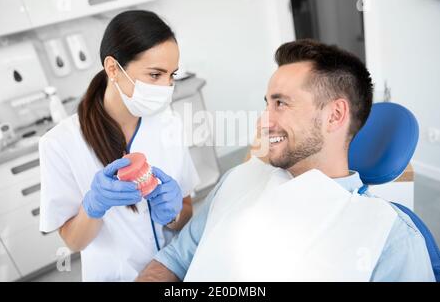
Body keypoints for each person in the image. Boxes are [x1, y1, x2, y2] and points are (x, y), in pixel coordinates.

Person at [136, 39, 435, 282]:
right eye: (267, 104)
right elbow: (172, 261)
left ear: (334, 115)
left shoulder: (391, 240)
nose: (264, 121)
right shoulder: (237, 181)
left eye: (281, 103)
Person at [39, 10, 200, 281]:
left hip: (174, 270)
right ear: (113, 68)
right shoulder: (59, 144)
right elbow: (74, 243)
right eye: (155, 75)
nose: (167, 87)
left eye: (172, 75)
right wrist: (94, 206)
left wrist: (173, 214)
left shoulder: (167, 123)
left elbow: (185, 211)